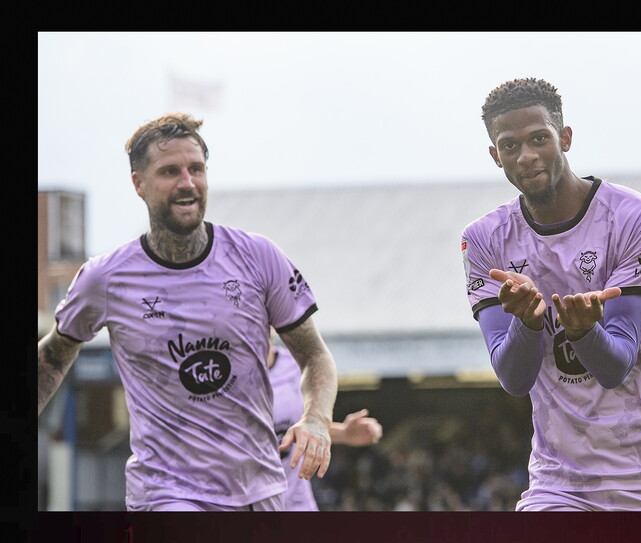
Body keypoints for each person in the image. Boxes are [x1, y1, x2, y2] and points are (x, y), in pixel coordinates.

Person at [37, 113, 339, 512]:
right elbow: (54, 354)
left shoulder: (258, 257)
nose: (187, 182)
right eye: (169, 171)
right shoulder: (105, 278)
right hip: (167, 493)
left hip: (260, 489)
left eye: (196, 169)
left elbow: (314, 355)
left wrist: (316, 419)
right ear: (138, 184)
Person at [460, 78, 641, 511]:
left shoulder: (638, 219)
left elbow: (615, 366)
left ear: (565, 138)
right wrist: (527, 323)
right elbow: (514, 380)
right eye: (509, 146)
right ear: (494, 155)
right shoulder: (484, 240)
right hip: (561, 482)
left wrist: (583, 332)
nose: (526, 156)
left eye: (539, 138)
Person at [267, 338, 382, 511]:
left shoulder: (297, 364)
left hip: (296, 502)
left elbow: (298, 429)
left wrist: (343, 433)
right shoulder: (229, 371)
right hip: (244, 500)